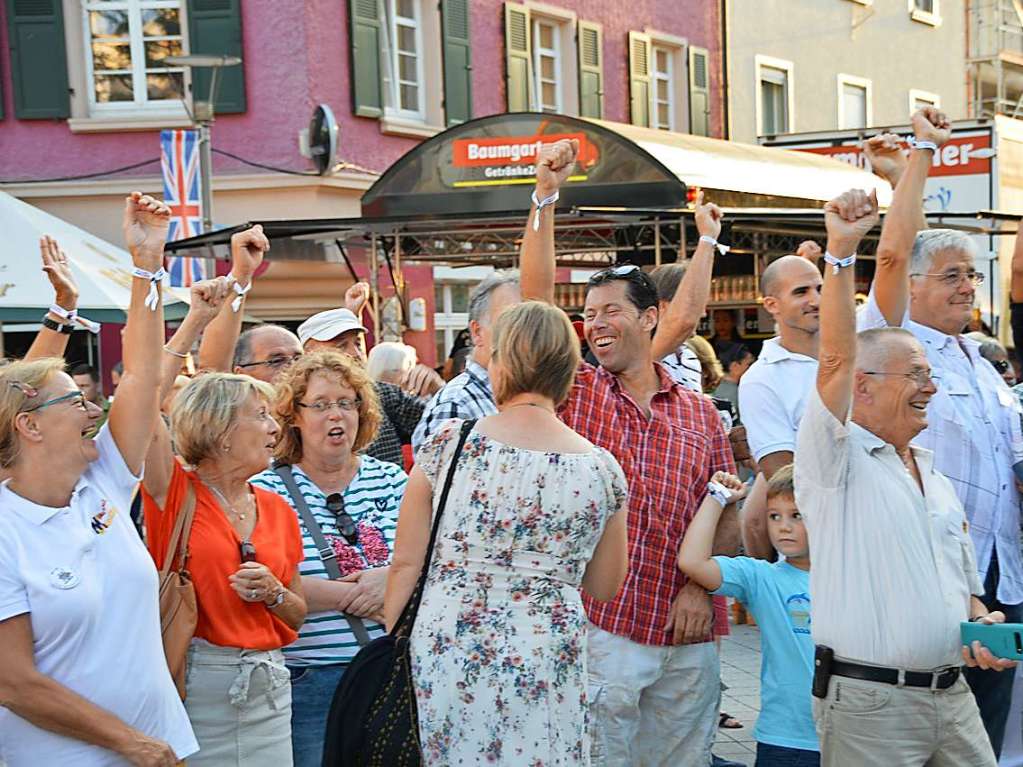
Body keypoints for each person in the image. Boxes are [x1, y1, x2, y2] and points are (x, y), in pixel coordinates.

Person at [520, 139, 740, 767]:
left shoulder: (699, 412)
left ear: (650, 319)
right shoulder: (580, 392)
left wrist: (702, 589)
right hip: (598, 628)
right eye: (588, 315)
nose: (594, 324)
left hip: (686, 627)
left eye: (610, 310)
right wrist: (545, 197)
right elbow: (536, 303)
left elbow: (720, 508)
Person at [795, 184, 1015, 765]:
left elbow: (963, 590)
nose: (931, 386)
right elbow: (837, 357)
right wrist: (842, 255)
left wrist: (980, 622)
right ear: (863, 387)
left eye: (930, 373)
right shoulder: (832, 461)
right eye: (915, 374)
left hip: (955, 698)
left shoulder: (935, 477)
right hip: (872, 705)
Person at [384, 300, 629, 766]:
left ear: (500, 363)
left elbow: (405, 564)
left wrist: (395, 645)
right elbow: (605, 585)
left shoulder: (449, 444)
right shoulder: (601, 469)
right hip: (545, 647)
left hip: (448, 643)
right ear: (569, 370)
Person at [0, 193, 197, 765]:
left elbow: (140, 374)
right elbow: (13, 683)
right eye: (77, 401)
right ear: (29, 427)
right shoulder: (6, 529)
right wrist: (129, 743)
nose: (95, 410)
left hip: (158, 750)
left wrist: (145, 263)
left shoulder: (101, 483)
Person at [858, 107, 1023, 756]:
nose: (966, 286)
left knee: (986, 738)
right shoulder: (892, 336)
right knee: (939, 735)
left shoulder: (977, 358)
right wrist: (916, 163)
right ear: (914, 288)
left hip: (999, 574)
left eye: (971, 274)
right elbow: (900, 251)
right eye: (951, 275)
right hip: (930, 575)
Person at [141, 372, 307, 767]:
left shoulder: (278, 509)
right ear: (220, 431)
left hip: (270, 688)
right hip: (197, 687)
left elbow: (297, 615)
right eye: (261, 415)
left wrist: (273, 593)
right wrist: (195, 320)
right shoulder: (174, 493)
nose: (274, 427)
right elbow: (143, 406)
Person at [250, 351, 407, 767]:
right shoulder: (264, 490)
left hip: (390, 670)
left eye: (346, 402)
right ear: (294, 416)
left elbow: (429, 561)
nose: (335, 415)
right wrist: (374, 590)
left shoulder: (392, 479)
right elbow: (271, 584)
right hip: (311, 679)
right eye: (320, 405)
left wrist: (390, 578)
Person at [679, 465, 819, 767]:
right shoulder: (762, 578)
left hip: (852, 734)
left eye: (797, 515)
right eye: (774, 516)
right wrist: (717, 497)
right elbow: (692, 561)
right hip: (786, 739)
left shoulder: (856, 578)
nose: (783, 527)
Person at [296, 306, 436, 467]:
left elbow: (441, 429)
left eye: (358, 344)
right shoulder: (293, 404)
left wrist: (439, 389)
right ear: (309, 352)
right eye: (341, 345)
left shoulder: (384, 394)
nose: (355, 353)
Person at [411, 270, 522, 452]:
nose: (522, 332)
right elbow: (438, 480)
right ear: (477, 332)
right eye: (510, 320)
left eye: (528, 322)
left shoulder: (524, 394)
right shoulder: (455, 406)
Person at [714, 344, 754, 421]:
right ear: (734, 365)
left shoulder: (716, 385)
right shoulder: (729, 392)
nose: (752, 368)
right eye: (749, 364)